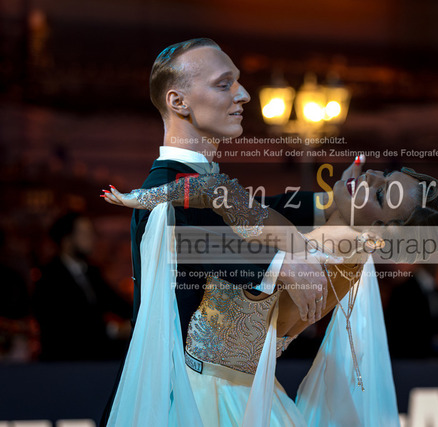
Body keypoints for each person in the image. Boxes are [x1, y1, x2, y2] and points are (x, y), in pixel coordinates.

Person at [99, 38, 363, 426]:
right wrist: (282, 265)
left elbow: (258, 210)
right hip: (181, 402)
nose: (243, 95)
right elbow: (197, 238)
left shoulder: (202, 186)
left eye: (238, 81)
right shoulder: (166, 194)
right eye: (224, 84)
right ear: (178, 102)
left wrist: (334, 200)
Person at [103, 165, 438, 426]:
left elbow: (211, 204)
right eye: (383, 175)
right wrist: (341, 201)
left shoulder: (301, 256)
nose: (369, 177)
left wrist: (143, 199)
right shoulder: (348, 262)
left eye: (381, 195)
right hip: (251, 397)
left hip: (207, 398)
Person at [32, 212, 131, 361]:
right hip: (64, 360)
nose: (92, 239)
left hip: (96, 356)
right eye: (85, 233)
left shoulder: (91, 272)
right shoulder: (49, 276)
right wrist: (115, 330)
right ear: (67, 240)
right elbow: (67, 323)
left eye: (92, 233)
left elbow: (117, 303)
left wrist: (141, 315)